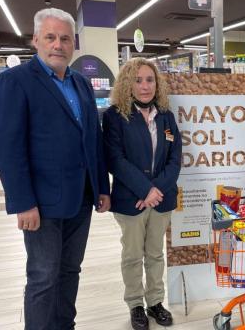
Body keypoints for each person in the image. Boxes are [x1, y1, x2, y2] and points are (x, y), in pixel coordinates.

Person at [0, 8, 110, 329]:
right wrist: (22, 202)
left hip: (81, 199)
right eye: (51, 37)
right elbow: (7, 148)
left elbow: (93, 141)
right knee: (43, 277)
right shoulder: (14, 82)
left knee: (71, 270)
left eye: (65, 38)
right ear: (36, 40)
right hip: (41, 204)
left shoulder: (82, 84)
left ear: (74, 44)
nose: (58, 44)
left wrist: (102, 187)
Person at [103, 58, 182, 330]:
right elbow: (115, 159)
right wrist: (145, 189)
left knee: (156, 254)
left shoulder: (166, 115)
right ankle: (136, 304)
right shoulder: (115, 116)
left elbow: (175, 158)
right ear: (128, 83)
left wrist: (156, 190)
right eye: (138, 80)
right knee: (132, 255)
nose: (145, 86)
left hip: (161, 200)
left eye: (150, 80)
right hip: (130, 200)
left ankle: (156, 302)